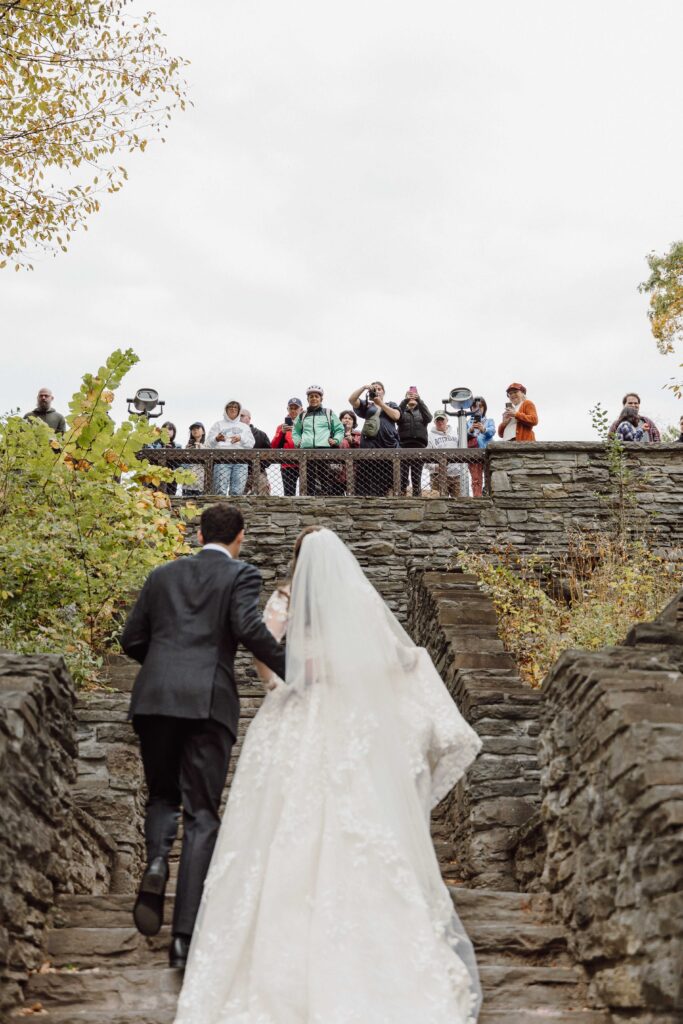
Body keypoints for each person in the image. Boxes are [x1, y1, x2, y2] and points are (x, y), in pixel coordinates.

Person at [173, 527, 482, 1024]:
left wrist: (298, 671)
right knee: (353, 815)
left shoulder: (283, 598)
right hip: (346, 721)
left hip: (292, 718)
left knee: (279, 823)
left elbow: (266, 662)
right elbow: (391, 660)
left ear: (296, 560)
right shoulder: (358, 600)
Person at [121, 504, 286, 971]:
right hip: (208, 702)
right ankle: (183, 939)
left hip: (154, 698)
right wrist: (293, 673)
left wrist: (163, 666)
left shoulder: (161, 575)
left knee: (161, 796)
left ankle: (155, 864)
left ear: (197, 535)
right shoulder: (241, 574)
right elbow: (249, 628)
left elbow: (132, 638)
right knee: (201, 815)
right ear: (240, 537)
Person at [348, 381, 401, 496]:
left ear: (384, 392)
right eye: (374, 388)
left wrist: (381, 404)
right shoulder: (367, 405)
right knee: (367, 477)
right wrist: (364, 387)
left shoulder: (391, 404)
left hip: (388, 446)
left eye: (379, 388)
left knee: (387, 479)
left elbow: (396, 416)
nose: (377, 390)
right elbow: (352, 400)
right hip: (369, 445)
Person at [291, 385, 344, 495]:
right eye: (311, 396)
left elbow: (339, 429)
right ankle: (309, 500)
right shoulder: (302, 415)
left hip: (324, 449)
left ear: (321, 398)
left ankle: (326, 500)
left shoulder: (328, 413)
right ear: (308, 399)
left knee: (324, 477)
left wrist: (336, 440)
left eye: (316, 396)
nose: (314, 398)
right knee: (308, 478)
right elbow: (295, 431)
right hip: (306, 450)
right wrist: (298, 441)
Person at [207, 401, 255, 496]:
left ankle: (235, 510)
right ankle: (220, 510)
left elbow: (251, 444)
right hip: (221, 460)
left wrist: (241, 438)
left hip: (240, 461)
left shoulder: (245, 427)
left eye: (235, 407)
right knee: (220, 491)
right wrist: (216, 439)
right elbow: (208, 443)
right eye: (230, 407)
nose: (233, 409)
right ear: (226, 409)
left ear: (238, 411)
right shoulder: (218, 425)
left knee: (237, 492)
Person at [398, 387, 432, 496]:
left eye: (414, 395)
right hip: (403, 447)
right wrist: (405, 401)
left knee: (416, 476)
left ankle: (417, 497)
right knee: (402, 475)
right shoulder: (402, 411)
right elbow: (396, 417)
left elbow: (429, 418)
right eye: (409, 395)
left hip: (419, 447)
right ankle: (401, 497)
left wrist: (420, 401)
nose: (412, 397)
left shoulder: (421, 411)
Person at [270, 398, 303, 496]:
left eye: (296, 408)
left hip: (304, 462)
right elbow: (273, 446)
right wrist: (281, 433)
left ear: (301, 409)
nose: (293, 410)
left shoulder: (306, 425)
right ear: (287, 409)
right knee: (289, 494)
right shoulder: (281, 427)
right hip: (287, 464)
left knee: (307, 493)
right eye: (291, 408)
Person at [466, 397, 495, 497]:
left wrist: (483, 429)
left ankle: (489, 496)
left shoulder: (489, 420)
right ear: (471, 408)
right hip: (473, 454)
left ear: (484, 408)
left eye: (480, 406)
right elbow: (461, 437)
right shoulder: (467, 422)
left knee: (489, 476)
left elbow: (492, 432)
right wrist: (470, 430)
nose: (477, 408)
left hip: (487, 453)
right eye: (474, 406)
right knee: (476, 478)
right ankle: (477, 498)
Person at [428, 411, 462, 496]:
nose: (440, 422)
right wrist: (436, 467)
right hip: (438, 476)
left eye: (442, 419)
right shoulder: (429, 436)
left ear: (447, 420)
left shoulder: (456, 434)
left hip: (456, 475)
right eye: (437, 420)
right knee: (439, 504)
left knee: (459, 503)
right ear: (434, 422)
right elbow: (425, 459)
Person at [240, 409, 271, 495]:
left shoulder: (261, 435)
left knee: (263, 496)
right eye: (238, 416)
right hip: (238, 472)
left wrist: (259, 466)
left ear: (249, 418)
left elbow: (270, 456)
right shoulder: (232, 435)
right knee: (237, 498)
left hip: (259, 472)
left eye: (242, 416)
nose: (239, 418)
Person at [336, 408, 362, 494]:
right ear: (340, 421)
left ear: (353, 422)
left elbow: (362, 446)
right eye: (344, 418)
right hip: (336, 471)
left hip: (355, 471)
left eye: (350, 419)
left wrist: (352, 441)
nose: (347, 420)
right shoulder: (334, 434)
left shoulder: (358, 435)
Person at [181, 423, 206, 497]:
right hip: (187, 483)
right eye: (193, 429)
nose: (195, 430)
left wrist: (199, 446)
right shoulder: (188, 446)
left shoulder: (207, 445)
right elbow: (183, 463)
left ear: (203, 431)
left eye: (198, 428)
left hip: (200, 482)